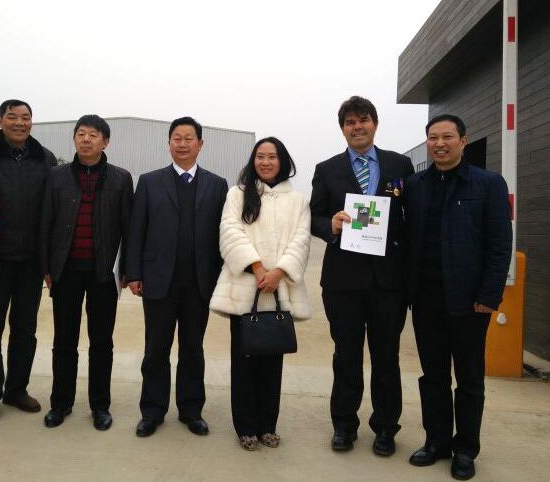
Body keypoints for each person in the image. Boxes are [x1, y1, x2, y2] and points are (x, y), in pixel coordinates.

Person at [404, 114, 512, 481]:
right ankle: (436, 442)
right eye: (433, 137)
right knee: (433, 376)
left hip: (469, 302)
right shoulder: (415, 185)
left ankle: (465, 449)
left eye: (447, 137)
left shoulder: (488, 184)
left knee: (469, 379)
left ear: (463, 141)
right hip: (426, 299)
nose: (440, 144)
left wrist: (489, 294)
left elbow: (500, 244)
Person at [309, 96, 414, 455]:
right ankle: (344, 425)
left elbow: (411, 217)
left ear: (375, 123)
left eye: (363, 120)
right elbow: (313, 217)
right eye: (350, 122)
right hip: (343, 281)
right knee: (346, 357)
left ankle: (385, 427)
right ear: (343, 129)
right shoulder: (327, 169)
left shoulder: (400, 164)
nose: (357, 127)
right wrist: (331, 224)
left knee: (387, 358)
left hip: (388, 282)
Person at [126, 116, 228, 437]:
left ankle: (191, 410)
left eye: (189, 139)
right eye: (177, 139)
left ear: (200, 144)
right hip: (158, 281)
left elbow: (224, 236)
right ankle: (152, 411)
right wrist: (133, 273)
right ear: (168, 143)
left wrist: (222, 277)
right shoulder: (149, 181)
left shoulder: (217, 185)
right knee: (156, 349)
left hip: (199, 282)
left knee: (192, 349)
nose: (182, 144)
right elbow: (136, 230)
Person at [210, 137, 311, 451]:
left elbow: (301, 240)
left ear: (283, 161)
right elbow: (229, 232)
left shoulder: (297, 200)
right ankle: (246, 427)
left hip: (279, 291)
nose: (265, 162)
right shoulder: (238, 194)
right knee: (244, 361)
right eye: (260, 156)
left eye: (272, 157)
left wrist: (279, 272)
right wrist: (256, 267)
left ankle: (268, 425)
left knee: (272, 363)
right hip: (245, 290)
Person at [39, 115, 133, 430]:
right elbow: (46, 222)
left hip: (103, 273)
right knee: (64, 340)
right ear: (74, 139)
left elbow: (129, 228)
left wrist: (126, 270)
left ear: (105, 142)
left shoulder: (121, 178)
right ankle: (60, 403)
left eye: (93, 135)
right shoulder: (57, 176)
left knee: (101, 342)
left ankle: (100, 406)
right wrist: (46, 266)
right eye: (81, 134)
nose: (86, 139)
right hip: (65, 271)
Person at [0, 99, 56, 421]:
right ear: (0, 121)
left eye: (25, 117)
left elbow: (51, 210)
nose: (19, 123)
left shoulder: (45, 158)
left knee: (25, 330)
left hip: (30, 262)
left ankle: (17, 390)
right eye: (12, 117)